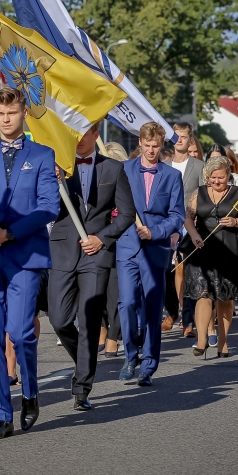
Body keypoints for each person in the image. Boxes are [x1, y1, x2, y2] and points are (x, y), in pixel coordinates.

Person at [0, 88, 58, 439]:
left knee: (21, 333)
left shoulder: (42, 155)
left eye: (12, 112)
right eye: (0, 113)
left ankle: (31, 391)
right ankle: (2, 412)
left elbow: (48, 205)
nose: (6, 119)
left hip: (25, 255)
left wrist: (11, 233)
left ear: (24, 113)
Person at [48, 125, 136, 410]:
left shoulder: (112, 169)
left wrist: (103, 238)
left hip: (96, 254)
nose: (78, 138)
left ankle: (82, 385)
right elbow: (45, 209)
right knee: (59, 320)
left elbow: (126, 214)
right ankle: (85, 359)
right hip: (62, 251)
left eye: (84, 132)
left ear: (95, 133)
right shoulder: (56, 167)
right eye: (73, 133)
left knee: (88, 322)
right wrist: (51, 183)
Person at [117, 123, 184, 385]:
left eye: (156, 145)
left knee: (154, 308)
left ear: (162, 145)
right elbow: (113, 205)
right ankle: (130, 354)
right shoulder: (125, 169)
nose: (151, 150)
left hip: (155, 248)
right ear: (140, 143)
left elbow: (177, 215)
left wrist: (155, 231)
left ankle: (148, 364)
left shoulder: (171, 176)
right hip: (127, 246)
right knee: (128, 302)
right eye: (147, 145)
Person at [184, 156, 238, 357]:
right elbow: (188, 217)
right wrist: (194, 235)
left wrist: (235, 221)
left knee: (224, 298)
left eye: (221, 178)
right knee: (202, 294)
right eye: (213, 177)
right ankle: (202, 339)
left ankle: (223, 342)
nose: (216, 181)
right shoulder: (199, 193)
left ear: (228, 176)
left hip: (229, 249)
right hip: (203, 247)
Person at [163, 122, 204, 335]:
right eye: (175, 136)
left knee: (187, 272)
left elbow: (203, 197)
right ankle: (172, 311)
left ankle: (188, 320)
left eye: (184, 136)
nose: (179, 140)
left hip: (191, 225)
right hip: (166, 226)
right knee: (165, 272)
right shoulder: (164, 165)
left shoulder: (198, 166)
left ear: (190, 140)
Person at [100, 142, 130, 353]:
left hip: (122, 238)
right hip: (99, 238)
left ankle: (114, 335)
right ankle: (101, 329)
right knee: (97, 287)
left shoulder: (125, 178)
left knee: (115, 290)